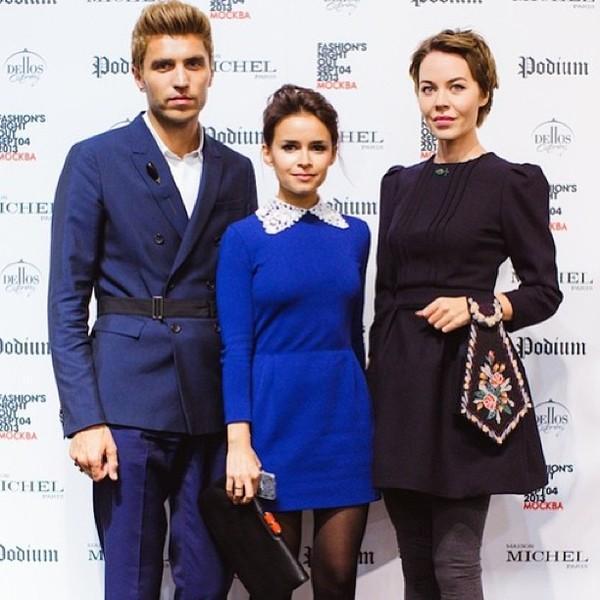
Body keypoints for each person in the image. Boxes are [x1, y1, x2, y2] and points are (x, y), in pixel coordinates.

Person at [48, 1, 257, 598]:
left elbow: (240, 301)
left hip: (210, 403)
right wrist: (85, 419)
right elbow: (67, 300)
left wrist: (243, 423)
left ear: (212, 71)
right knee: (131, 580)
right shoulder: (95, 159)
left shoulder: (236, 169)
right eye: (164, 65)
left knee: (209, 580)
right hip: (125, 404)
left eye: (193, 63)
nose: (181, 79)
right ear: (138, 74)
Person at [367, 30, 562, 600]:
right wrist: (378, 378)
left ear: (483, 93)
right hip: (400, 386)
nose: (440, 102)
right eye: (428, 89)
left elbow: (544, 291)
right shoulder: (398, 184)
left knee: (454, 564)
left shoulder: (512, 182)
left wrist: (479, 306)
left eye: (456, 87)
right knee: (416, 564)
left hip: (466, 382)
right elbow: (386, 294)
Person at [216, 84, 378, 599]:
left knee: (338, 579)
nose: (304, 160)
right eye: (290, 146)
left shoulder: (355, 233)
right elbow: (235, 347)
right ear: (267, 152)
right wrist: (239, 443)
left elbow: (353, 334)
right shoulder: (243, 238)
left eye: (317, 147)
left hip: (343, 424)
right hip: (271, 425)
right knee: (272, 586)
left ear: (333, 152)